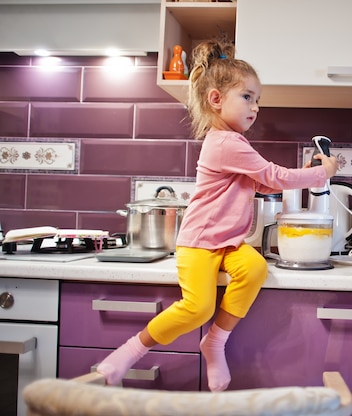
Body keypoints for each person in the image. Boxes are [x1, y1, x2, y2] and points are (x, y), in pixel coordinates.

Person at [96, 39, 338, 391]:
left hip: (226, 244)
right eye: (247, 97)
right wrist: (321, 174)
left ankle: (215, 342)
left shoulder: (233, 143)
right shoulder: (226, 142)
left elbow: (263, 185)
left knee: (254, 268)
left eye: (258, 100)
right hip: (199, 244)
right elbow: (273, 176)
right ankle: (128, 353)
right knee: (196, 308)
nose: (255, 108)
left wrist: (300, 172)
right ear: (216, 99)